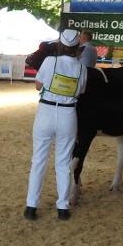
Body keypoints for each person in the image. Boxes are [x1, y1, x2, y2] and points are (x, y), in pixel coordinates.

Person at [24, 28, 87, 222]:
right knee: (63, 163)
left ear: (60, 45)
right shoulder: (82, 68)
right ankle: (62, 207)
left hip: (46, 113)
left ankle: (31, 207)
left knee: (38, 161)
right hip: (68, 114)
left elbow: (38, 85)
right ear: (77, 47)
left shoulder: (50, 61)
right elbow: (80, 92)